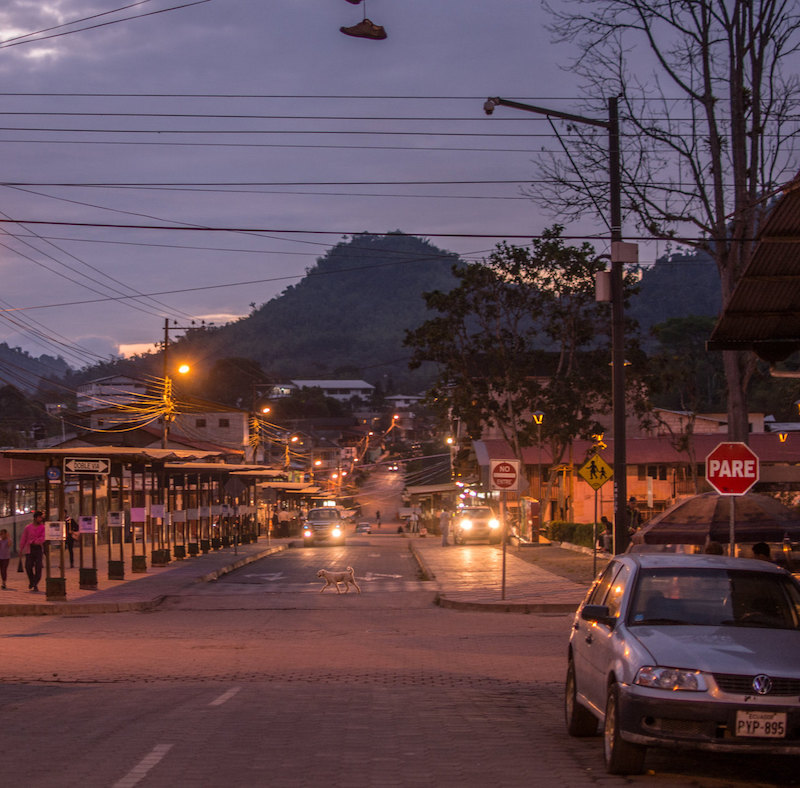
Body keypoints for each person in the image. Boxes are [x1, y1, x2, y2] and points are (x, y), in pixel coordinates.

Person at [19, 510, 46, 592]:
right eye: (39, 517)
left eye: (41, 517)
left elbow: (43, 537)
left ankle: (35, 583)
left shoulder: (43, 527)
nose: (40, 519)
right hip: (29, 549)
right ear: (35, 518)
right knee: (28, 566)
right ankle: (32, 580)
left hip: (38, 549)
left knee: (38, 567)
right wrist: (21, 549)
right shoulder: (28, 528)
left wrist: (36, 541)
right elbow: (24, 538)